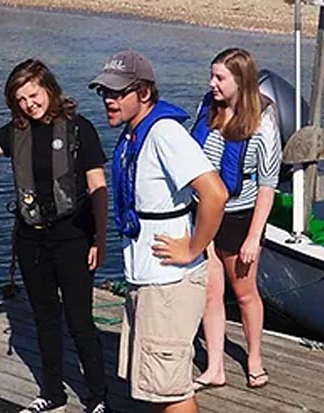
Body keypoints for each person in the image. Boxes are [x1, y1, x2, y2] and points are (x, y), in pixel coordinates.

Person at [89, 49, 228, 413]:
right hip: (147, 279)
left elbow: (215, 193)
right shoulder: (136, 134)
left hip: (168, 283)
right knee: (155, 386)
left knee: (171, 391)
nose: (108, 99)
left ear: (145, 93)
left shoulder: (164, 133)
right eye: (104, 91)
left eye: (118, 93)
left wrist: (194, 248)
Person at [0, 59, 111, 413]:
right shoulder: (13, 132)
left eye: (33, 95)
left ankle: (98, 397)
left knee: (80, 321)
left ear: (48, 88)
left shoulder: (80, 129)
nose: (28, 104)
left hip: (74, 237)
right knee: (44, 318)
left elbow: (98, 186)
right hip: (31, 240)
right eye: (20, 99)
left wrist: (101, 239)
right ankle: (52, 394)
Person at [189, 48, 282, 390]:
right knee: (211, 293)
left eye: (219, 78)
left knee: (244, 293)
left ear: (240, 81)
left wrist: (253, 238)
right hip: (202, 215)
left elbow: (267, 185)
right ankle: (215, 367)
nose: (211, 83)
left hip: (238, 218)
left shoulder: (262, 125)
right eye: (211, 76)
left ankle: (254, 358)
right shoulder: (207, 109)